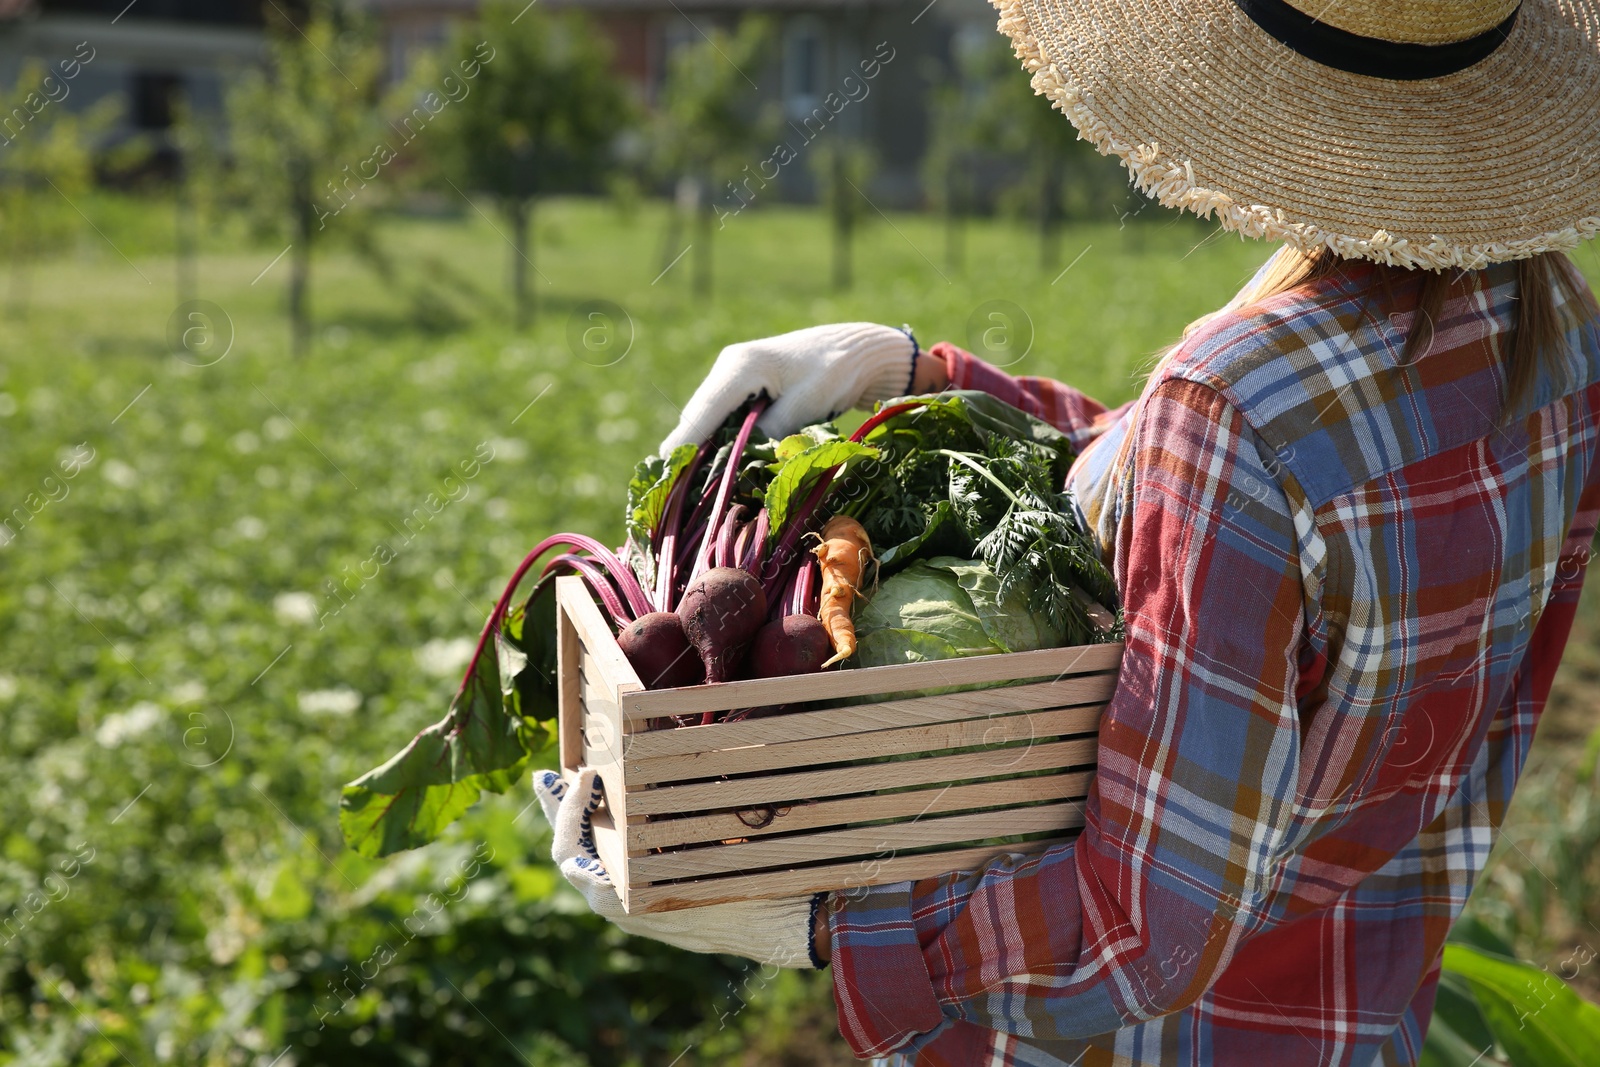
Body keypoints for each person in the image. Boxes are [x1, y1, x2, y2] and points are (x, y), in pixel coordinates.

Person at [535, 0, 1600, 1062]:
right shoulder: (1553, 340)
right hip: (1349, 1020)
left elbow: (1142, 933)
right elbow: (1217, 517)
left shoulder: (1237, 404)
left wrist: (822, 932)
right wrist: (925, 376)